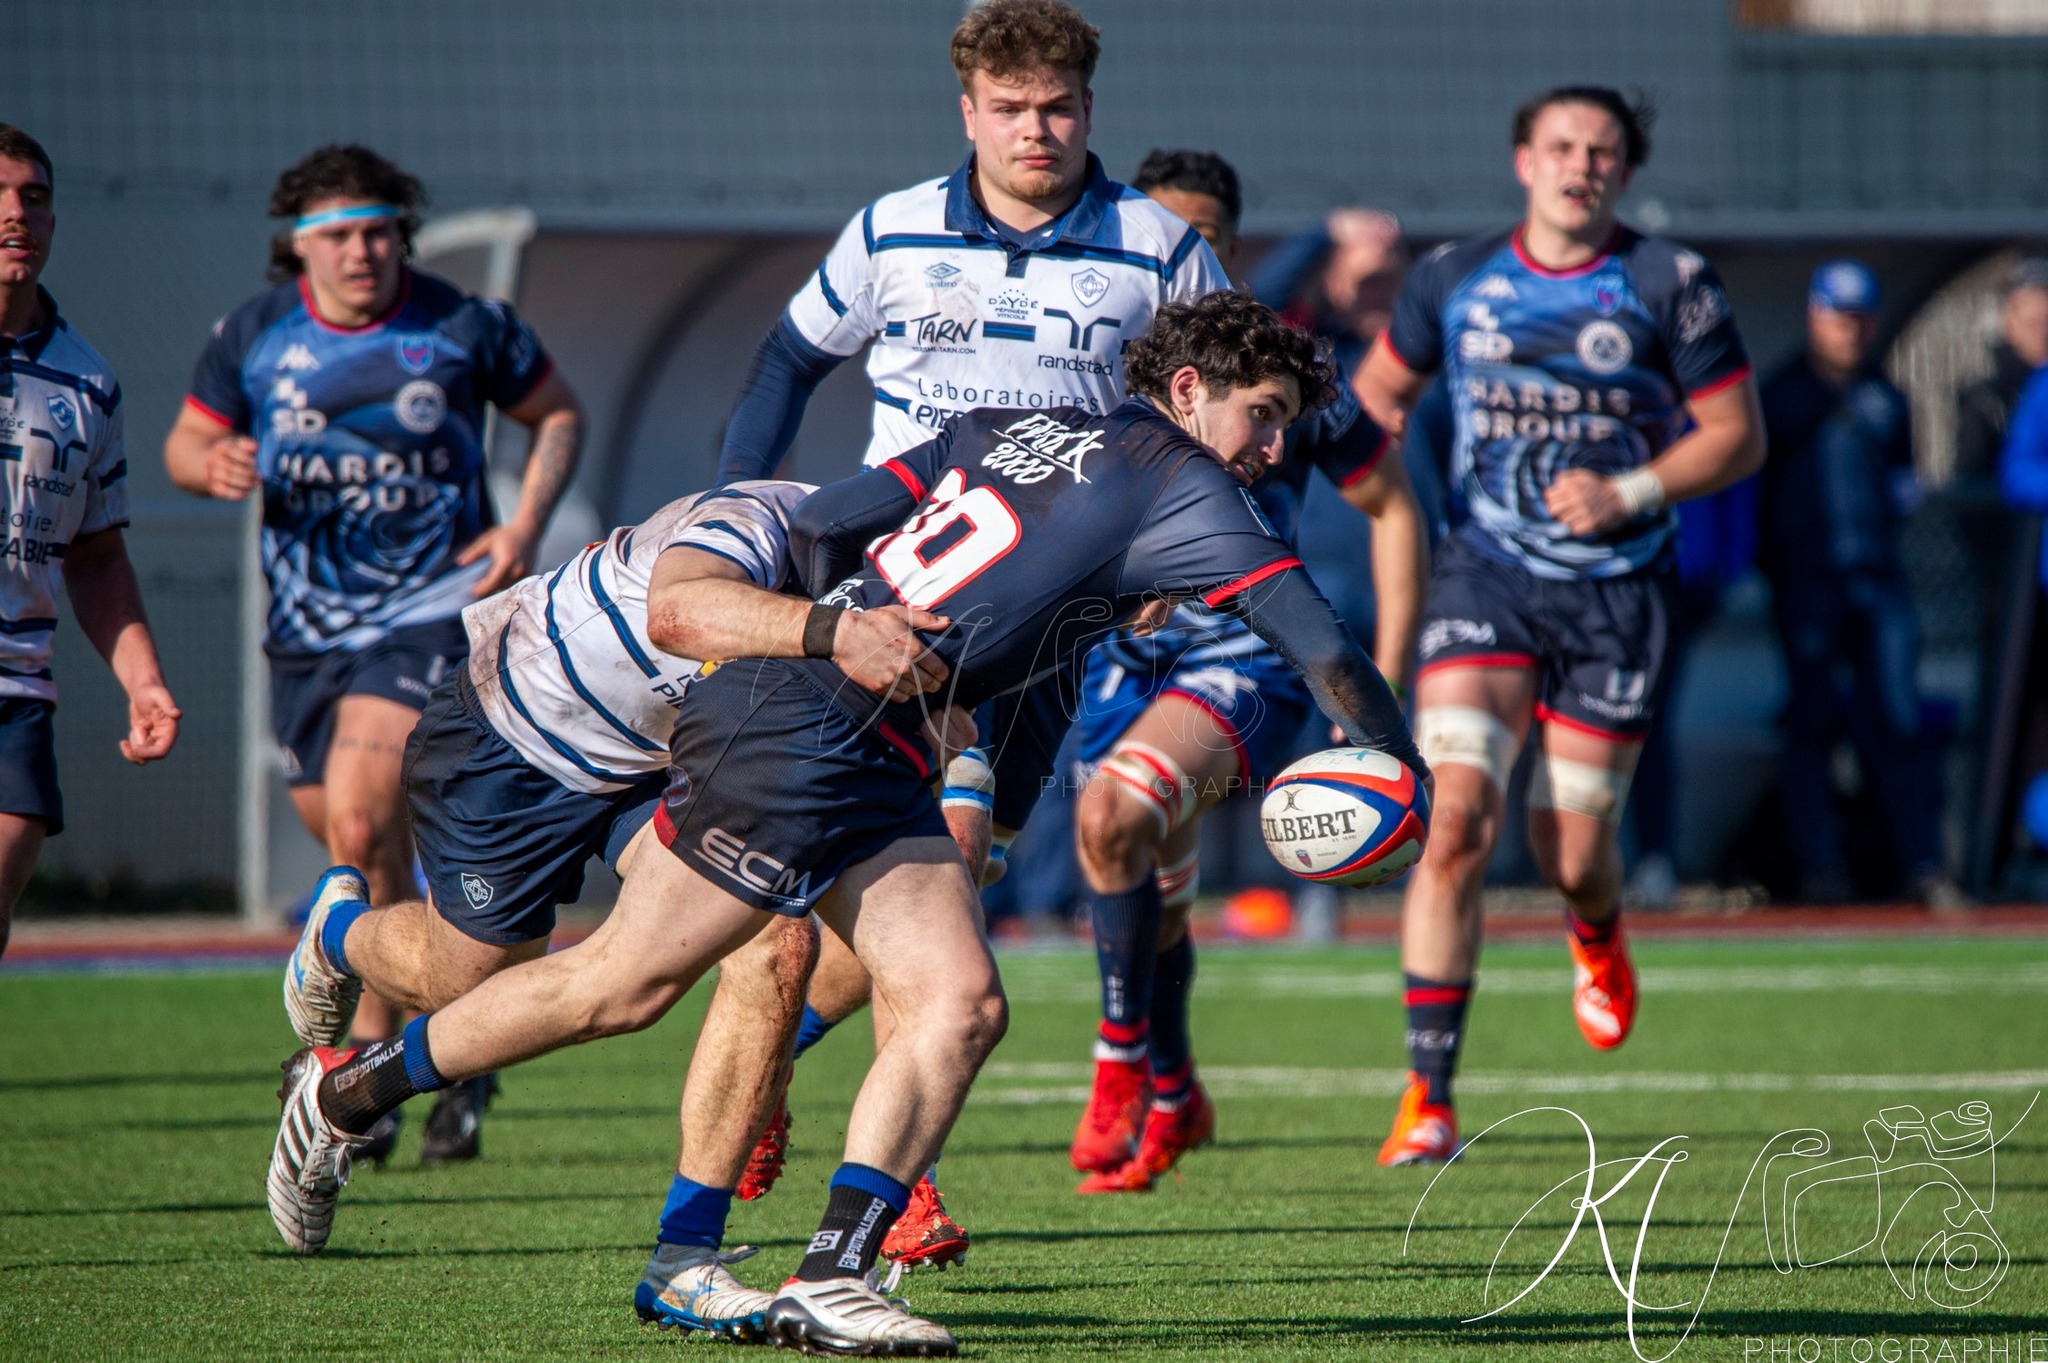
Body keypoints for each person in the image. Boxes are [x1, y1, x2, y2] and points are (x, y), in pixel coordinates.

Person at [267, 290, 1427, 1354]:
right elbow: (1319, 643)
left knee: (959, 1000)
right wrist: (1396, 767)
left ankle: (829, 1271)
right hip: (802, 732)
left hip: (847, 730)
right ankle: (349, 1091)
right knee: (615, 988)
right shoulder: (1188, 485)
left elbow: (832, 522)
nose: (1274, 448)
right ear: (1185, 393)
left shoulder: (1009, 428)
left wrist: (885, 650)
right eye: (1262, 415)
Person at [713, 0, 1228, 1255]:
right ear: (968, 112)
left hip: (1053, 625)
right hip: (902, 604)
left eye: (1055, 108)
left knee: (949, 882)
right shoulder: (889, 230)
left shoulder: (1159, 247)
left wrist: (1178, 544)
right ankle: (901, 1190)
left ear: (1087, 110)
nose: (1033, 130)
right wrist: (738, 510)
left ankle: (769, 1052)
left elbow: (1224, 400)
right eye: (1008, 109)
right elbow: (785, 363)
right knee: (942, 863)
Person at [277, 476, 976, 1335]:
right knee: (462, 984)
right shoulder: (756, 519)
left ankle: (684, 1259)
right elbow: (677, 616)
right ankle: (338, 933)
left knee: (770, 947)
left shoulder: (911, 592)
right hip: (512, 735)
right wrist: (836, 635)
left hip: (653, 766)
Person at [1353, 86, 1764, 1165]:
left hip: (1615, 592)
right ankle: (1426, 1094)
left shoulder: (1665, 282)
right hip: (1481, 579)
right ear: (1522, 159)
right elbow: (1372, 398)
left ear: (1621, 173)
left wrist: (1628, 491)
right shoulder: (1452, 278)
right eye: (1561, 147)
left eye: (1602, 152)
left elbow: (1735, 435)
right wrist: (1374, 485)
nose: (1581, 165)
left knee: (1571, 849)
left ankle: (1595, 926)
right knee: (1452, 826)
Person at [163, 145, 584, 1162]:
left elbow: (556, 411)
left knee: (358, 818)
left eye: (379, 230)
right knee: (369, 854)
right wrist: (206, 461)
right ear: (297, 246)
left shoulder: (460, 324)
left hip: (430, 614)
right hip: (305, 630)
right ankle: (448, 1051)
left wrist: (524, 524)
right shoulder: (253, 337)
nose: (363, 251)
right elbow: (183, 440)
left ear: (403, 232)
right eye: (339, 235)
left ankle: (359, 1063)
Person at [1060, 150, 1428, 1194]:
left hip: (1244, 663)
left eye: (1207, 235)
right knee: (1152, 891)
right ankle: (1176, 1089)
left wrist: (1378, 687)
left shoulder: (1281, 377)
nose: (1188, 253)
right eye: (1167, 232)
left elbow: (1392, 502)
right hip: (1116, 665)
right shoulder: (1092, 365)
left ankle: (1120, 1064)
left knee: (1110, 820)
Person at [0, 126, 180, 957]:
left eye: (33, 196)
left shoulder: (87, 380)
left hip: (16, 689)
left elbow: (98, 555)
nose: (16, 215)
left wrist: (142, 681)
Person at [1760, 260, 1960, 907]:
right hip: (1807, 583)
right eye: (1838, 316)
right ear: (1816, 316)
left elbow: (1902, 482)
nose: (1850, 331)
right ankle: (1818, 866)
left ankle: (1921, 864)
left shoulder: (1886, 395)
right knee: (1811, 721)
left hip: (1877, 579)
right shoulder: (1785, 395)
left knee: (1898, 719)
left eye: (1860, 318)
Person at [1251, 208, 1411, 378]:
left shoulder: (1421, 347)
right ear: (1335, 285)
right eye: (1367, 283)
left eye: (1388, 280)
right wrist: (1327, 229)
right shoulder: (1313, 347)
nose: (1379, 294)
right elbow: (1259, 307)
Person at [1956, 258, 2048, 481]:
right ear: (2010, 325)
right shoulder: (1987, 403)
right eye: (2033, 324)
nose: (2043, 334)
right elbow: (1968, 482)